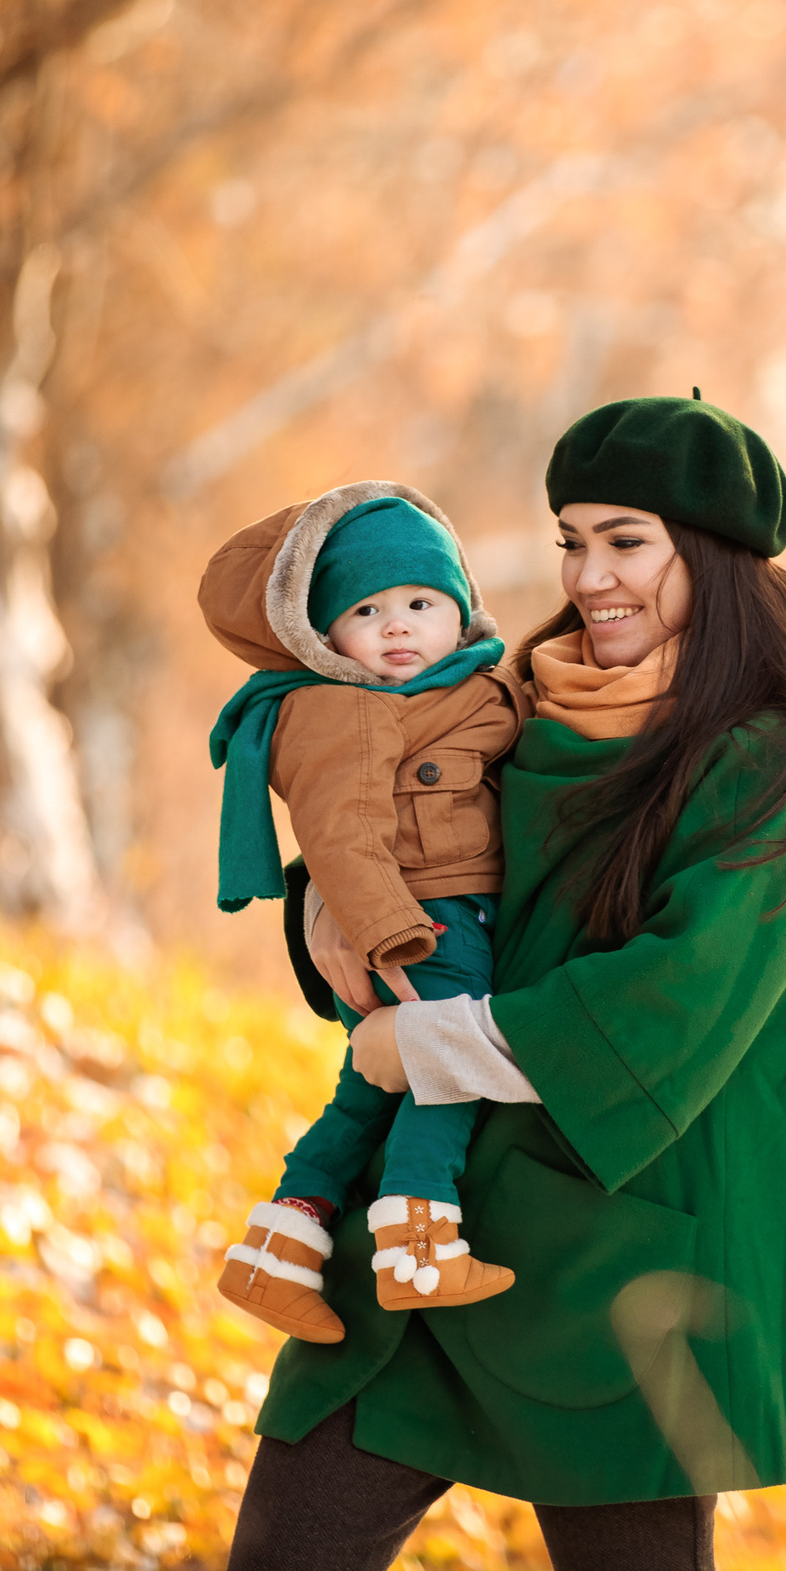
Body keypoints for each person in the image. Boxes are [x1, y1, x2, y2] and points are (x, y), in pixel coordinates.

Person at [216, 395, 786, 1571]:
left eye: (625, 541)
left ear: (714, 555)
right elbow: (427, 864)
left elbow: (669, 1002)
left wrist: (424, 1041)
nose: (588, 577)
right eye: (571, 540)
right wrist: (327, 912)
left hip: (621, 1256)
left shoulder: (773, 760)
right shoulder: (504, 702)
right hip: (430, 1223)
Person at [200, 483, 524, 1344]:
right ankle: (421, 1248)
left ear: (459, 609)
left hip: (436, 920)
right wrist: (390, 936)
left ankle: (276, 1251)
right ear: (325, 634)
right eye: (367, 611)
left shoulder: (463, 685)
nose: (397, 628)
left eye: (421, 603)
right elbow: (340, 832)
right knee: (449, 1072)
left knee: (367, 1096)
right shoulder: (342, 708)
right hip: (422, 928)